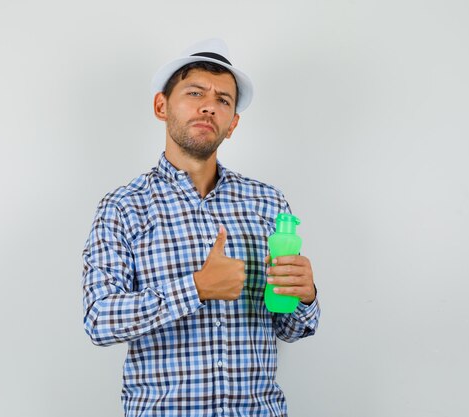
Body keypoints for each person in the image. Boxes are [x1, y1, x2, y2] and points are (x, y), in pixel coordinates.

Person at [82, 38, 320, 417]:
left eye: (224, 100)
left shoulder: (268, 203)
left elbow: (290, 328)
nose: (210, 106)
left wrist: (304, 297)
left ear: (233, 124)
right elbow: (98, 320)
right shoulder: (123, 207)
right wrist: (196, 288)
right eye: (195, 93)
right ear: (162, 106)